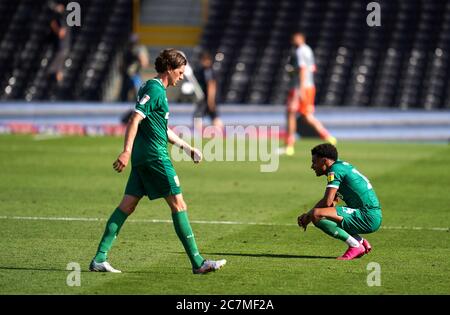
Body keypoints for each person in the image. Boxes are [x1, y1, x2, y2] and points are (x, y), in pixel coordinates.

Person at [89, 49, 226, 274]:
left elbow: (161, 129)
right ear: (169, 70)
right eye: (180, 72)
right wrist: (125, 151)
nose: (181, 77)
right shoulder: (155, 90)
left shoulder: (150, 86)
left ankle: (99, 258)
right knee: (179, 205)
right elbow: (135, 119)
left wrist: (187, 148)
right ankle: (198, 263)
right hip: (154, 157)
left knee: (127, 206)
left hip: (143, 158)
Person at [297, 143, 382, 260]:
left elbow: (327, 202)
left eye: (314, 162)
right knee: (320, 214)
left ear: (324, 161)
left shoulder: (335, 171)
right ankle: (359, 241)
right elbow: (333, 202)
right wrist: (309, 215)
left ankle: (355, 246)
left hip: (366, 215)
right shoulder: (340, 166)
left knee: (317, 214)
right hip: (368, 214)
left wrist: (309, 215)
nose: (312, 166)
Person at [284, 32, 336, 156]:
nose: (293, 40)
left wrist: (300, 88)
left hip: (300, 87)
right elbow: (311, 68)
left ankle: (289, 144)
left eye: (294, 38)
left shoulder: (300, 51)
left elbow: (302, 69)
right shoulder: (308, 50)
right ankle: (328, 136)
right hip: (309, 86)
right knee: (306, 116)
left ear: (300, 38)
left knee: (291, 112)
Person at [192, 51, 223, 131]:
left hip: (207, 99)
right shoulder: (209, 70)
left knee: (197, 116)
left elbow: (211, 86)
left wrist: (210, 101)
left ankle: (197, 135)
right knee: (214, 116)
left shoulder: (208, 71)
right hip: (209, 99)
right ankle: (221, 135)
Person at [119, 34, 150, 102]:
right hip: (126, 75)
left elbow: (144, 62)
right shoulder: (127, 49)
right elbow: (122, 63)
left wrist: (138, 57)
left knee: (138, 96)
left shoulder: (139, 49)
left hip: (135, 74)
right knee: (123, 96)